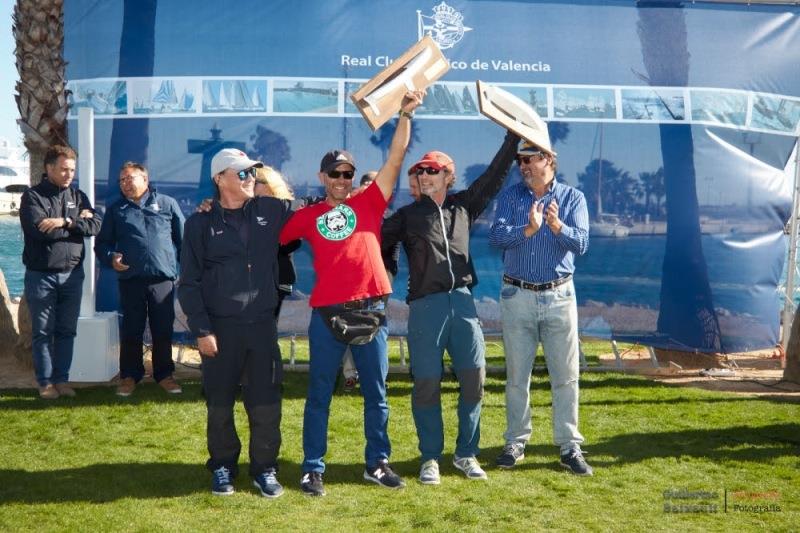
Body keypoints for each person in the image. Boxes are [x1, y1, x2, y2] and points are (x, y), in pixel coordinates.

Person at [279, 90, 424, 497]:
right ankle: (312, 470)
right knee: (319, 394)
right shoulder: (307, 216)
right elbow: (267, 231)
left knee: (377, 394)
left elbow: (395, 159)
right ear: (323, 176)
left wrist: (405, 115)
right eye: (336, 174)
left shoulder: (370, 202)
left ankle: (377, 464)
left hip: (372, 308)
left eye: (348, 174)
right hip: (326, 313)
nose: (343, 180)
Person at [381, 130, 520, 485]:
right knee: (427, 383)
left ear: (448, 176)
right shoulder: (407, 215)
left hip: (464, 304)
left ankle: (466, 454)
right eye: (420, 171)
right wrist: (388, 270)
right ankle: (430, 457)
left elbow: (493, 177)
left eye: (432, 170)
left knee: (474, 380)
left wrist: (511, 140)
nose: (425, 176)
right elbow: (375, 237)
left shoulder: (463, 206)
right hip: (427, 308)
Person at [178, 148, 291, 497]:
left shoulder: (270, 211)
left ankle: (265, 468)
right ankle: (223, 465)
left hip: (261, 327)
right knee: (220, 404)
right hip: (220, 330)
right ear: (219, 179)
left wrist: (264, 177)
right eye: (240, 173)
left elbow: (310, 209)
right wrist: (202, 330)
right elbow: (189, 283)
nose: (248, 178)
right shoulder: (199, 223)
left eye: (251, 173)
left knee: (266, 404)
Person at [488, 138, 592, 476]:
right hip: (517, 296)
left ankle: (569, 445)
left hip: (560, 296)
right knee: (518, 377)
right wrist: (528, 229)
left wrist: (557, 227)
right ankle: (516, 442)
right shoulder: (509, 197)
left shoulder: (573, 198)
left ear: (548, 159)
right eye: (520, 160)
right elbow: (497, 239)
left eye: (530, 159)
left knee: (566, 376)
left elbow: (582, 243)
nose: (523, 166)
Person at [95, 162, 185, 397]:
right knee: (132, 330)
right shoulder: (116, 210)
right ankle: (129, 376)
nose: (125, 183)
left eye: (129, 178)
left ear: (145, 179)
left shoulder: (167, 204)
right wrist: (110, 257)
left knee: (162, 329)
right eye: (121, 180)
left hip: (162, 280)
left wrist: (189, 272)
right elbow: (102, 244)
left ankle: (164, 375)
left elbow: (183, 241)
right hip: (131, 280)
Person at [19, 144, 101, 399]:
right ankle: (45, 383)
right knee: (43, 332)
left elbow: (95, 225)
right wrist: (77, 224)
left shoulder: (78, 196)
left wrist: (65, 221)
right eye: (64, 169)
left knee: (67, 330)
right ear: (49, 168)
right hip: (41, 276)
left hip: (73, 275)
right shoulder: (33, 197)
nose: (69, 174)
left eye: (73, 170)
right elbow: (39, 231)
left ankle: (62, 380)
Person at [253, 166, 298, 318]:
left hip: (276, 280)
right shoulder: (246, 208)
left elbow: (293, 243)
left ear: (268, 184)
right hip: (249, 280)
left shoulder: (286, 208)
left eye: (254, 181)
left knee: (266, 329)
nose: (248, 183)